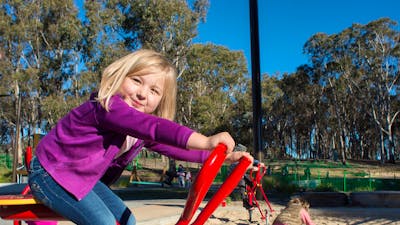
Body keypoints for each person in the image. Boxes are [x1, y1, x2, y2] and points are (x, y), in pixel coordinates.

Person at [27, 49, 253, 225]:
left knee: (126, 219)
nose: (142, 94)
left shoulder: (137, 130)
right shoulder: (108, 107)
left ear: (161, 100)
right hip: (51, 173)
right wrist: (205, 140)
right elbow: (154, 127)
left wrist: (222, 157)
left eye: (154, 91)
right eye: (136, 80)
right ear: (119, 76)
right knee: (104, 222)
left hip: (83, 179)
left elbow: (177, 149)